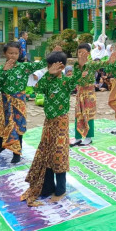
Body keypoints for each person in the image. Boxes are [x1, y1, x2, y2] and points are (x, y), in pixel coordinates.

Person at [20, 50, 83, 206]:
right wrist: (48, 74)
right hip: (49, 123)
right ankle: (47, 188)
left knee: (59, 156)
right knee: (46, 154)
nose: (49, 69)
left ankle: (60, 191)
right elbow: (37, 89)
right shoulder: (47, 81)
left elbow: (79, 78)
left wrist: (81, 66)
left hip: (61, 123)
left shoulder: (66, 82)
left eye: (52, 66)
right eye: (48, 66)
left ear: (60, 67)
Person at [0, 42, 47, 163]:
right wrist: (4, 71)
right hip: (5, 102)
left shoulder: (24, 67)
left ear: (19, 54)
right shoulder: (0, 68)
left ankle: (17, 152)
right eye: (10, 53)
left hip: (19, 102)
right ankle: (1, 146)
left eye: (16, 53)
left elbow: (41, 64)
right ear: (5, 53)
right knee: (0, 125)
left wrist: (53, 55)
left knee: (18, 126)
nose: (13, 55)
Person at [71, 43, 99, 147]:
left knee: (88, 114)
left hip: (89, 93)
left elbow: (102, 64)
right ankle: (78, 137)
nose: (81, 55)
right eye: (79, 52)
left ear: (88, 54)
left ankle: (88, 138)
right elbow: (74, 78)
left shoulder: (91, 64)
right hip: (80, 92)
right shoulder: (76, 65)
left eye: (83, 53)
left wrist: (109, 61)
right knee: (78, 114)